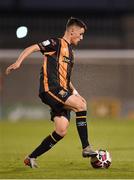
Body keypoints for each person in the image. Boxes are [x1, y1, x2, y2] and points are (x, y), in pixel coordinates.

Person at [5, 17, 97, 168]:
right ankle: (86, 147)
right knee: (81, 105)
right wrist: (18, 62)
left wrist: (76, 92)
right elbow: (32, 48)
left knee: (61, 130)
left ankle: (31, 158)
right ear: (72, 31)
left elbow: (66, 79)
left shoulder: (71, 54)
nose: (82, 37)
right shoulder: (56, 43)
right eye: (80, 34)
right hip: (51, 89)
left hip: (62, 90)